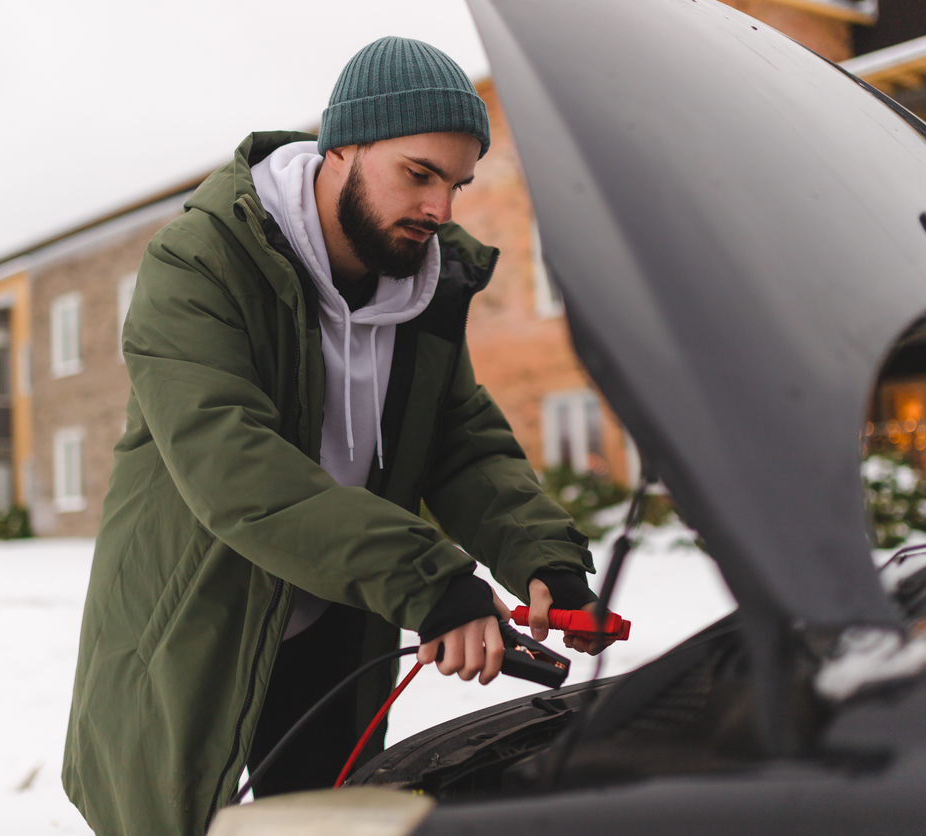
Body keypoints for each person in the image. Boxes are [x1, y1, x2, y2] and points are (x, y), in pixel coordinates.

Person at [62, 36, 601, 835]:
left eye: (456, 184)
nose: (441, 210)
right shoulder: (200, 263)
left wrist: (541, 552)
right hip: (195, 626)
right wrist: (430, 581)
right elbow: (234, 469)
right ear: (340, 147)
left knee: (326, 824)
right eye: (419, 174)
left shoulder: (425, 287)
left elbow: (459, 442)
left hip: (342, 625)